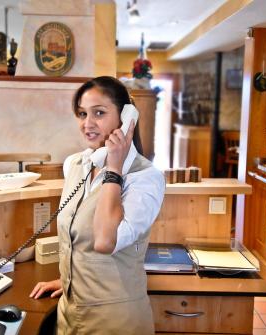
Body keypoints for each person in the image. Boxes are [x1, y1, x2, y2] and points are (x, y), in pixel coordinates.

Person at [29, 76, 165, 334]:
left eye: (99, 113)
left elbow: (104, 242)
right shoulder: (76, 165)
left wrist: (114, 168)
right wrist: (70, 279)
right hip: (69, 315)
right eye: (82, 113)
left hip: (114, 322)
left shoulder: (145, 178)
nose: (87, 124)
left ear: (126, 119)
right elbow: (78, 242)